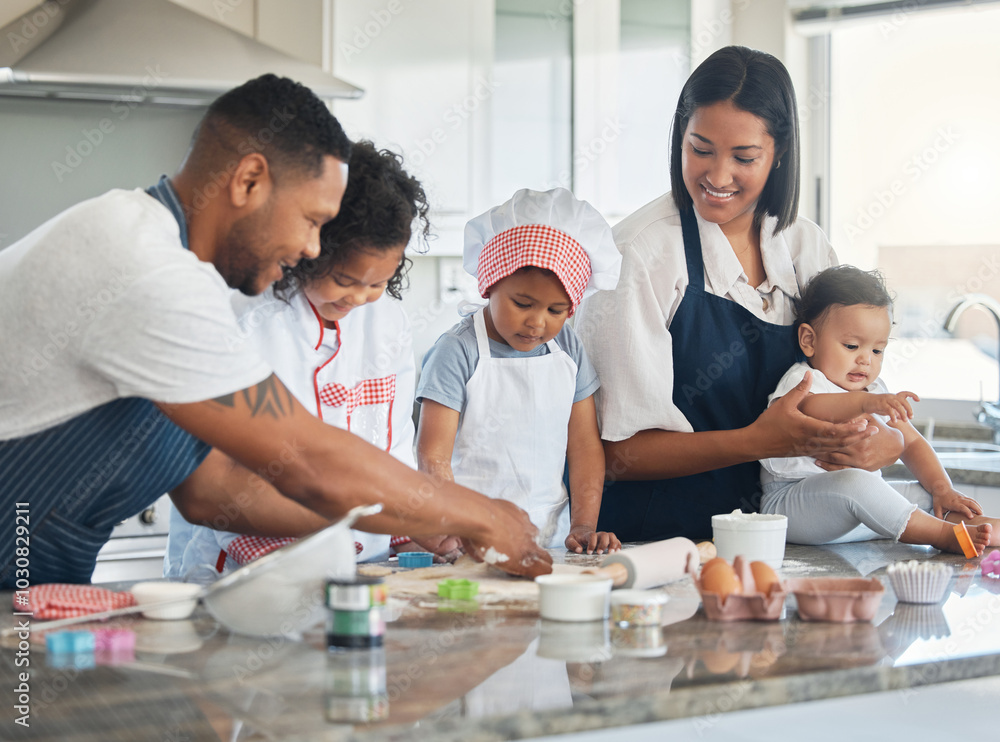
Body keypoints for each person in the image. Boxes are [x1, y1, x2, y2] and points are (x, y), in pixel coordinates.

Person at [0, 74, 552, 589]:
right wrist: (482, 516)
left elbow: (210, 489)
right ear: (248, 180)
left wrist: (408, 518)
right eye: (312, 220)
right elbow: (311, 461)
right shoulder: (145, 269)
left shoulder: (165, 259)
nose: (312, 248)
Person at [575, 46, 903, 542]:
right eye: (700, 149)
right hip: (654, 541)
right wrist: (758, 441)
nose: (717, 176)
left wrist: (885, 443)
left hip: (770, 541)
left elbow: (853, 380)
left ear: (779, 155)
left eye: (744, 157)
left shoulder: (804, 245)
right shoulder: (639, 255)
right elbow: (616, 453)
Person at [164, 140, 461, 580]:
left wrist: (411, 529)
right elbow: (215, 483)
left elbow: (392, 446)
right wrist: (379, 513)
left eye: (379, 283)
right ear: (310, 246)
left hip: (367, 562)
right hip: (245, 566)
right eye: (345, 280)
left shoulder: (389, 321)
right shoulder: (246, 318)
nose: (359, 297)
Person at [415, 188, 622, 554]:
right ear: (490, 283)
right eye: (522, 303)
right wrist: (458, 526)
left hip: (551, 539)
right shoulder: (457, 351)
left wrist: (584, 525)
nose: (536, 323)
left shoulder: (568, 348)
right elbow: (433, 456)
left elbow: (585, 445)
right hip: (470, 541)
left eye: (556, 311)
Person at [760, 265, 997, 554]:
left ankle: (978, 525)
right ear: (809, 340)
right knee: (856, 484)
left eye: (877, 350)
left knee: (925, 492)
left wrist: (942, 488)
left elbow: (911, 442)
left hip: (860, 517)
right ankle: (942, 535)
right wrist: (865, 403)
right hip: (792, 507)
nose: (865, 361)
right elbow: (813, 408)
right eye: (851, 346)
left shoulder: (874, 391)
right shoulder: (804, 380)